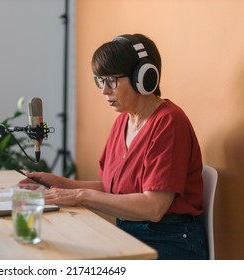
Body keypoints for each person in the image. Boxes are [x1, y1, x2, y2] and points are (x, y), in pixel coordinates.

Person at [18, 33, 208, 260]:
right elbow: (115, 190)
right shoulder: (123, 121)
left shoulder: (169, 122)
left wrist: (79, 195)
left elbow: (153, 208)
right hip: (130, 232)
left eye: (112, 80)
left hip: (169, 239)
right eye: (100, 80)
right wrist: (61, 184)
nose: (104, 90)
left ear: (144, 78)